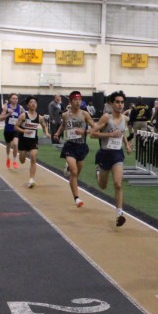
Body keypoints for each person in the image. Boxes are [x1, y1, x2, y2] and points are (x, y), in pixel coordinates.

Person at [91, 91, 133, 227]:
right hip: (105, 154)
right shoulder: (106, 118)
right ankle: (98, 172)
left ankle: (119, 214)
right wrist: (109, 135)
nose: (120, 105)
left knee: (118, 184)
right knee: (103, 186)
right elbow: (92, 134)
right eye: (117, 102)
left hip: (117, 154)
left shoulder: (125, 119)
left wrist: (127, 145)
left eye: (122, 102)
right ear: (112, 103)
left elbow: (122, 133)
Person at [54, 91, 95, 207]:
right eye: (75, 100)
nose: (78, 102)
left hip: (81, 146)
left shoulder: (85, 114)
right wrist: (57, 133)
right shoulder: (65, 115)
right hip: (70, 145)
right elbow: (63, 125)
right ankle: (76, 198)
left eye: (79, 100)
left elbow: (95, 128)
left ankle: (69, 169)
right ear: (70, 102)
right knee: (74, 171)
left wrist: (84, 132)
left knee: (75, 174)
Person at [14, 96, 48, 188]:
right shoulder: (23, 116)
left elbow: (44, 126)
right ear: (27, 105)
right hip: (23, 141)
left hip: (33, 141)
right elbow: (16, 127)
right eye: (31, 102)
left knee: (33, 157)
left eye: (35, 102)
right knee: (22, 160)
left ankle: (31, 179)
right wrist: (24, 131)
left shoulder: (40, 117)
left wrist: (46, 133)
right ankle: (22, 154)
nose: (33, 104)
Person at [0, 93, 22, 169]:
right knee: (8, 145)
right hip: (8, 129)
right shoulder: (6, 107)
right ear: (10, 99)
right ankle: (8, 158)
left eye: (16, 98)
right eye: (13, 98)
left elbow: (24, 116)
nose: (15, 100)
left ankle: (14, 160)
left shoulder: (20, 107)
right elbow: (0, 119)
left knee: (15, 144)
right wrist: (8, 114)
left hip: (16, 129)